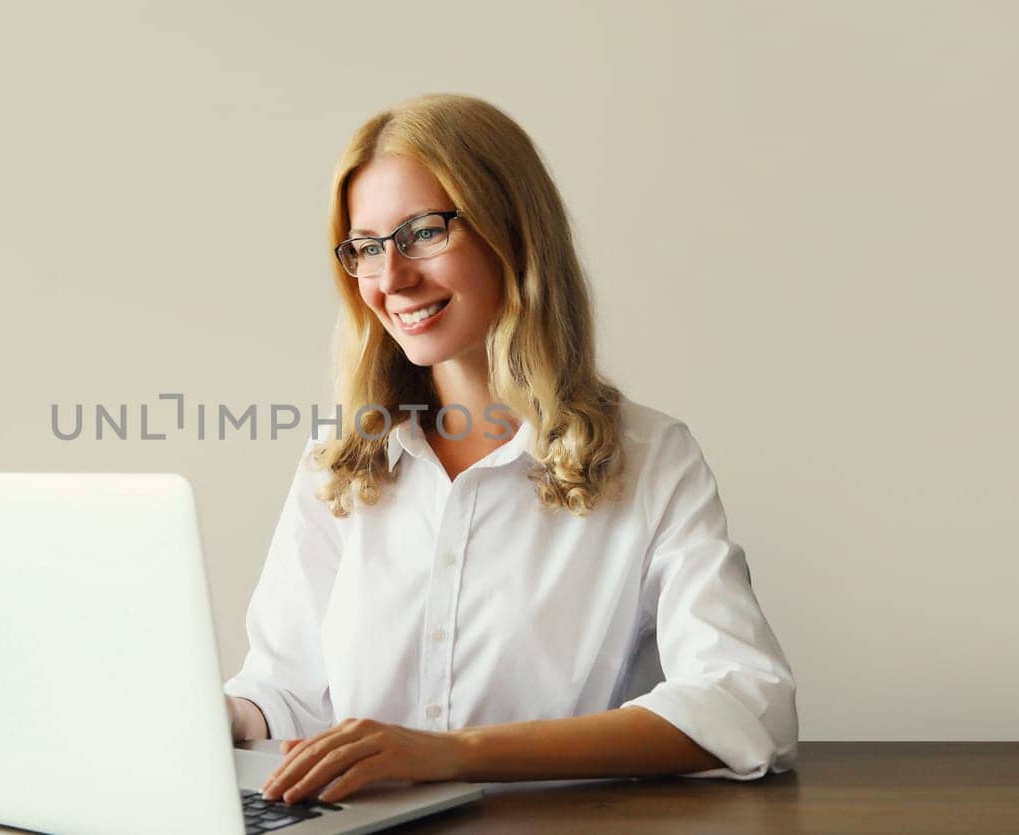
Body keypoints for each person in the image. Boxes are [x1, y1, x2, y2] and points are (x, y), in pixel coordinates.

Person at [222, 93, 799, 805]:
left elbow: (747, 704)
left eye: (422, 233)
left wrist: (453, 755)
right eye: (367, 246)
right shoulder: (337, 463)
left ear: (513, 233)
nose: (391, 278)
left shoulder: (653, 459)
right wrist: (221, 717)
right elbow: (286, 690)